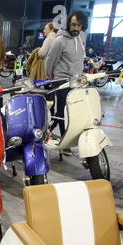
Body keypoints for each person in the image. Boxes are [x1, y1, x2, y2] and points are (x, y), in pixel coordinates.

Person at [45, 10, 88, 156]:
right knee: (63, 112)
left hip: (77, 81)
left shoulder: (81, 37)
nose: (76, 28)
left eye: (79, 25)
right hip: (62, 80)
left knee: (70, 112)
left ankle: (49, 130)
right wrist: (51, 78)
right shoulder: (59, 40)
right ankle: (66, 144)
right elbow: (50, 61)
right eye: (73, 25)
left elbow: (80, 58)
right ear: (69, 24)